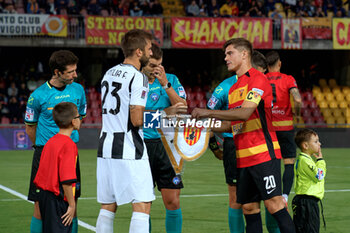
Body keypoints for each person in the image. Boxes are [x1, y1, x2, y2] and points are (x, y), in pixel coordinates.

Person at [191, 38, 295, 233]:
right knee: (249, 208)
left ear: (244, 54)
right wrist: (203, 126)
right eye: (225, 54)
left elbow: (245, 113)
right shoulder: (233, 89)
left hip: (264, 155)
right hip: (244, 159)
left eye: (230, 53)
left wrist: (208, 112)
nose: (226, 58)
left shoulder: (258, 79)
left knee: (274, 205)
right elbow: (233, 125)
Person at [95, 29, 155, 233]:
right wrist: (163, 116)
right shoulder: (138, 77)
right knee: (142, 203)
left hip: (105, 146)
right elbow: (137, 120)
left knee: (108, 204)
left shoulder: (109, 72)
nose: (151, 52)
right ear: (138, 52)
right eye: (148, 49)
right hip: (130, 147)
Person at [25, 50, 86, 233]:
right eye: (70, 72)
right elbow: (30, 127)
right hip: (45, 154)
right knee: (39, 208)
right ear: (57, 72)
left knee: (72, 202)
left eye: (75, 70)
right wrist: (45, 149)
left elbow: (80, 117)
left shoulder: (78, 90)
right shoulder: (38, 96)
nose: (75, 75)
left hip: (70, 153)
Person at [142, 43, 187, 233]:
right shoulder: (136, 82)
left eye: (159, 65)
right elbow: (137, 119)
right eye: (152, 65)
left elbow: (183, 109)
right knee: (143, 204)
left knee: (173, 201)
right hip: (142, 145)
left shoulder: (171, 80)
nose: (156, 70)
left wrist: (166, 85)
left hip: (168, 146)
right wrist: (166, 112)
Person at [33, 102, 82, 233]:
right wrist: (72, 205)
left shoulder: (50, 141)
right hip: (58, 199)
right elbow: (66, 179)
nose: (80, 119)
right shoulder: (69, 145)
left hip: (44, 196)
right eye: (78, 116)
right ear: (73, 121)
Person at [207, 73, 245, 232]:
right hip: (233, 145)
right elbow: (207, 117)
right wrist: (215, 147)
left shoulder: (262, 84)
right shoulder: (224, 88)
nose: (226, 58)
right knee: (236, 198)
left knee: (269, 198)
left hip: (260, 144)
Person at [265, 51, 302, 205]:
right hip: (286, 128)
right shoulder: (288, 79)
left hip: (268, 128)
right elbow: (298, 100)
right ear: (279, 63)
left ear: (266, 65)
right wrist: (297, 114)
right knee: (288, 162)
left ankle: (271, 194)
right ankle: (285, 197)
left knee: (270, 162)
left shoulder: (262, 79)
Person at [293, 129, 326, 233]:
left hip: (305, 202)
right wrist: (320, 161)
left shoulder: (304, 160)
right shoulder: (305, 160)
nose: (319, 144)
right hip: (307, 203)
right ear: (305, 146)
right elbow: (319, 176)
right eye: (316, 141)